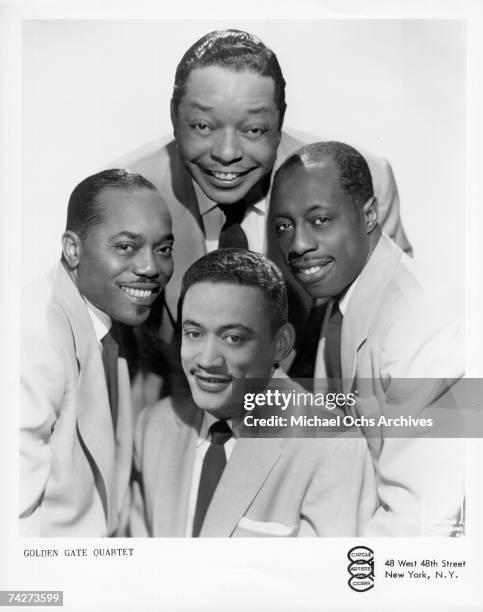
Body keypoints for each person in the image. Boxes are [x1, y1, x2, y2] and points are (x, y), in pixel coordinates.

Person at [112, 28, 412, 401]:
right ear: (174, 117)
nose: (226, 153)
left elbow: (399, 337)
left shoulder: (359, 184)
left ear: (280, 122)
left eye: (254, 129)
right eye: (203, 126)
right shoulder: (124, 198)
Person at [269, 141, 465, 536]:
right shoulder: (341, 298)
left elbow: (424, 520)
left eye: (320, 220)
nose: (298, 245)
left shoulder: (424, 322)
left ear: (371, 214)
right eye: (284, 226)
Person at [130, 249, 377, 537]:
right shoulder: (153, 427)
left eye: (233, 338)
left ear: (281, 343)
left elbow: (324, 579)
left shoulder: (333, 447)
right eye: (194, 334)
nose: (208, 360)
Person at [20, 169, 174, 536]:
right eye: (126, 246)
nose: (150, 267)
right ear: (73, 249)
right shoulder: (32, 339)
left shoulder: (108, 315)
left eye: (163, 249)